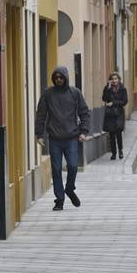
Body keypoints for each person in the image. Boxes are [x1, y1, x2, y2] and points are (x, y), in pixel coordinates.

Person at [35, 66, 90, 211]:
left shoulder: (75, 93)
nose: (59, 80)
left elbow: (84, 112)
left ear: (66, 77)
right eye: (56, 77)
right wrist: (39, 134)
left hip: (72, 137)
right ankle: (59, 199)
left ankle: (70, 189)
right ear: (53, 78)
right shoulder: (48, 94)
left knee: (72, 166)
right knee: (57, 169)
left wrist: (83, 131)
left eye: (61, 77)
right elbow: (41, 114)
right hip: (54, 139)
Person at [102, 72, 128, 160]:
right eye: (112, 79)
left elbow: (124, 101)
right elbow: (104, 98)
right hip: (110, 114)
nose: (114, 80)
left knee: (118, 133)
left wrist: (114, 103)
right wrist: (107, 88)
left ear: (119, 79)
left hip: (119, 113)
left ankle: (120, 150)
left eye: (116, 79)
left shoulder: (123, 89)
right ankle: (113, 153)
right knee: (111, 134)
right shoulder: (108, 88)